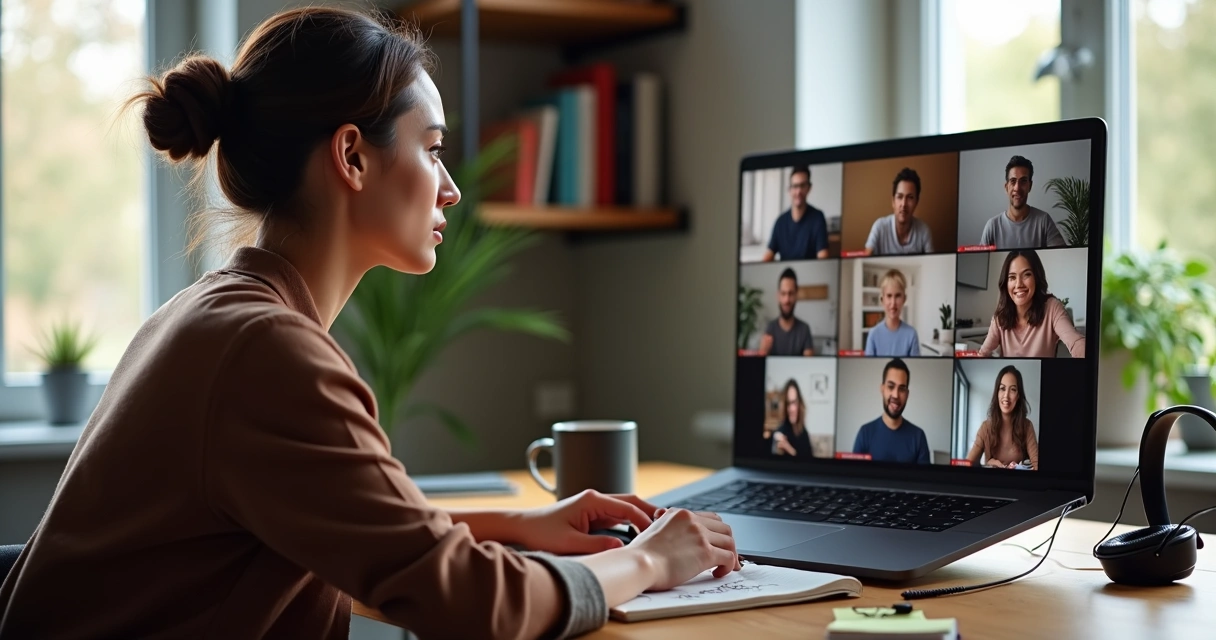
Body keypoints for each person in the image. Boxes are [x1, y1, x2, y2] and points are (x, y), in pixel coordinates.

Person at [0, 8, 742, 639]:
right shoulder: (266, 349)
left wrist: (517, 527)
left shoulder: (212, 314)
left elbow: (329, 521)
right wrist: (650, 559)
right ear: (352, 156)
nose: (451, 189)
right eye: (433, 148)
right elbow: (473, 605)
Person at [977, 249, 1085, 358]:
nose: (1018, 284)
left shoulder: (1052, 308)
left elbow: (1076, 342)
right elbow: (982, 354)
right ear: (1006, 283)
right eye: (1012, 277)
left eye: (1026, 275)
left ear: (1036, 278)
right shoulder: (999, 317)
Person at [979, 155, 1067, 249]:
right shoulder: (992, 226)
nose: (1017, 188)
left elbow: (1062, 255)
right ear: (1006, 187)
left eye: (1023, 181)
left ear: (1030, 186)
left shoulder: (1044, 221)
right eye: (1013, 181)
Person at [852, 359, 931, 464]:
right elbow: (855, 478)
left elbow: (924, 479)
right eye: (891, 386)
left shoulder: (918, 437)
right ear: (882, 389)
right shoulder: (865, 433)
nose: (896, 395)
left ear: (907, 395)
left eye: (902, 389)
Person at [966, 365, 1040, 470]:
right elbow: (968, 463)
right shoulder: (985, 428)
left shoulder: (1027, 426)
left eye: (1013, 390)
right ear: (997, 392)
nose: (1006, 396)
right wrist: (989, 463)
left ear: (1018, 396)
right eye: (1002, 388)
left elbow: (1037, 465)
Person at [762, 166, 830, 261]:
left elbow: (823, 257)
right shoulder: (780, 222)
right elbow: (768, 255)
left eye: (802, 186)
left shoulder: (818, 218)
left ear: (809, 188)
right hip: (786, 275)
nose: (798, 191)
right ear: (789, 190)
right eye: (795, 186)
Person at [863, 168, 934, 255]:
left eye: (910, 197)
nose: (903, 204)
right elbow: (866, 256)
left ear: (916, 202)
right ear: (893, 201)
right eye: (899, 197)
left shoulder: (924, 231)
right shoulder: (880, 227)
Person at [864, 269, 921, 357]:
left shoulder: (911, 334)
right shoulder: (873, 335)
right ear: (882, 300)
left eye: (898, 296)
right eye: (889, 296)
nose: (893, 303)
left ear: (904, 299)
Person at [759, 268, 814, 356]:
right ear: (778, 296)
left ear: (796, 295)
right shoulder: (770, 328)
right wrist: (762, 353)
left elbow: (809, 364)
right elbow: (761, 365)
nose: (786, 300)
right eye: (783, 293)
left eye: (791, 293)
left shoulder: (804, 329)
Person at [772, 379, 815, 457]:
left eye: (794, 402)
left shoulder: (804, 433)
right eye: (788, 404)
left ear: (799, 404)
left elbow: (809, 463)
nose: (791, 409)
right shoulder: (781, 432)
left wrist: (789, 449)